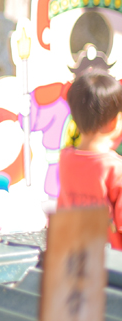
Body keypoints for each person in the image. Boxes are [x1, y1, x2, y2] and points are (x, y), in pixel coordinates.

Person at [58, 71, 122, 248]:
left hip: (76, 261)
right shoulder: (116, 170)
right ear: (115, 122)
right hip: (112, 270)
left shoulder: (66, 159)